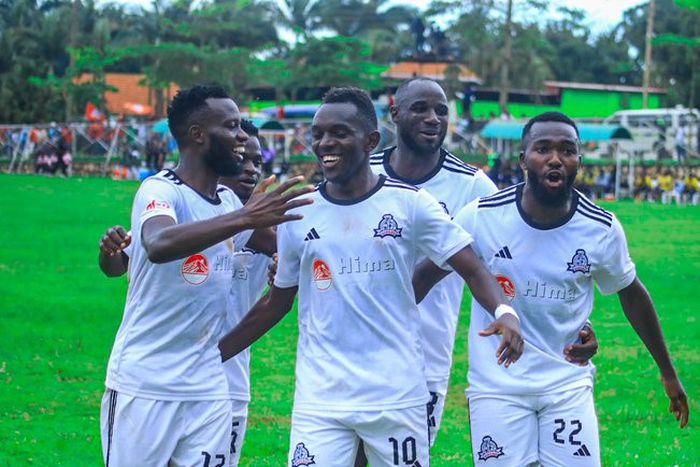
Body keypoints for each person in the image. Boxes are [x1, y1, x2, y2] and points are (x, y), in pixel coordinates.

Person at [218, 87, 524, 467]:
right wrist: (213, 356)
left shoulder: (411, 204)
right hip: (321, 399)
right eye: (318, 134)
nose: (325, 143)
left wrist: (504, 313)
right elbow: (276, 303)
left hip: (396, 396)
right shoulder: (300, 213)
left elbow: (473, 266)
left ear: (371, 141)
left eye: (339, 133)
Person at [414, 111, 689, 466]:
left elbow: (632, 294)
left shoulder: (600, 228)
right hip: (497, 387)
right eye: (543, 149)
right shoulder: (481, 216)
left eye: (567, 150)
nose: (555, 159)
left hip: (566, 384)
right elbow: (424, 277)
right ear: (523, 159)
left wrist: (667, 372)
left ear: (579, 160)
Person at [368, 77, 598, 453]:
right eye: (420, 109)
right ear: (394, 114)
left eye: (441, 111)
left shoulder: (472, 186)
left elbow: (519, 256)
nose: (432, 118)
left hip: (424, 353)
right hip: (354, 340)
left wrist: (575, 325)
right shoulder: (364, 172)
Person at [98, 85, 313, 467]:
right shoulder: (160, 189)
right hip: (145, 383)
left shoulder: (227, 203)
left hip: (208, 385)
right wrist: (245, 217)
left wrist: (288, 257)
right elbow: (158, 243)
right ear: (197, 134)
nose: (242, 136)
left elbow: (283, 247)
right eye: (231, 126)